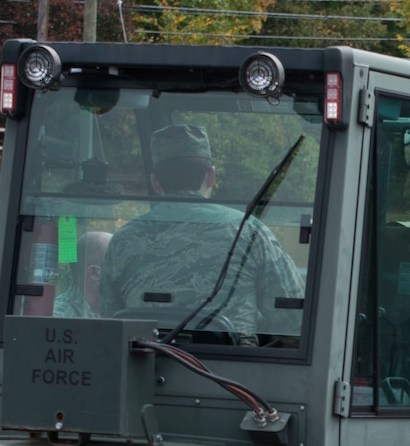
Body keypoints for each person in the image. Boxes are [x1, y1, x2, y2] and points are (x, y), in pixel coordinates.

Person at [99, 124, 302, 345]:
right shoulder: (249, 232)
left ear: (156, 182)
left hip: (142, 372)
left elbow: (110, 323)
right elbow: (294, 320)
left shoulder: (122, 241)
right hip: (232, 375)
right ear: (211, 176)